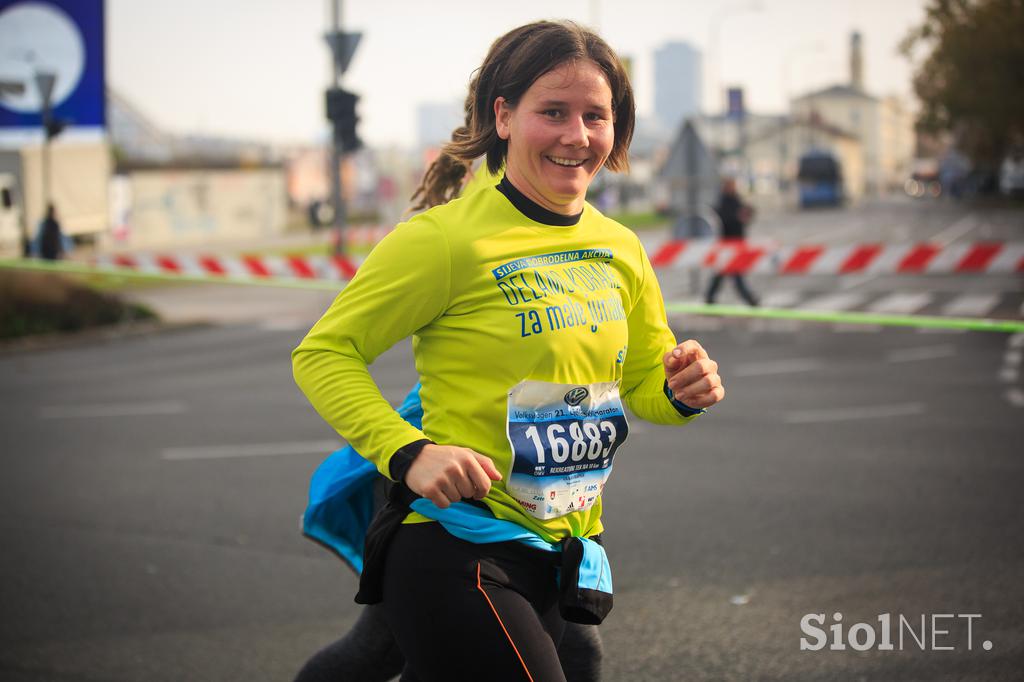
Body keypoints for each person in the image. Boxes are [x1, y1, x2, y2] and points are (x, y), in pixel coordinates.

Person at [293, 20, 724, 681]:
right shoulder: (443, 242)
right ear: (504, 116)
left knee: (370, 657)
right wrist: (409, 453)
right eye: (552, 112)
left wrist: (678, 391)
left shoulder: (621, 246)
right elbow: (324, 353)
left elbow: (641, 384)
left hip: (565, 547)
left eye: (595, 116)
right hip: (455, 543)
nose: (576, 135)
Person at [704, 178, 758, 306]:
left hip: (736, 243)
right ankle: (750, 300)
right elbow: (724, 219)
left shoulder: (736, 200)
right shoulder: (723, 202)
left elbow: (747, 214)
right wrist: (737, 217)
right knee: (733, 274)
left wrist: (746, 214)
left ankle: (710, 299)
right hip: (727, 244)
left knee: (723, 274)